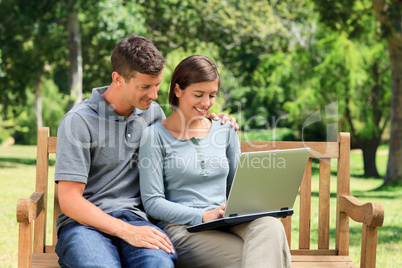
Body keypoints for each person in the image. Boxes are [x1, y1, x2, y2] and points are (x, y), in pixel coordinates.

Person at [54, 36, 236, 268]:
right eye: (145, 87)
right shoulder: (79, 121)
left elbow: (188, 127)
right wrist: (125, 231)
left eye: (157, 84)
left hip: (139, 221)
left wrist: (216, 120)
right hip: (85, 226)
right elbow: (69, 201)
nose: (154, 94)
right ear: (118, 79)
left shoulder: (153, 114)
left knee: (158, 265)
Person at [139, 55, 291, 268]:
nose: (206, 103)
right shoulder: (154, 136)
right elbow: (153, 202)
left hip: (228, 219)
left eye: (212, 95)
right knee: (255, 258)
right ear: (177, 90)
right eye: (198, 94)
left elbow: (238, 184)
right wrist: (202, 215)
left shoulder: (225, 129)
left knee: (270, 227)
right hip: (183, 229)